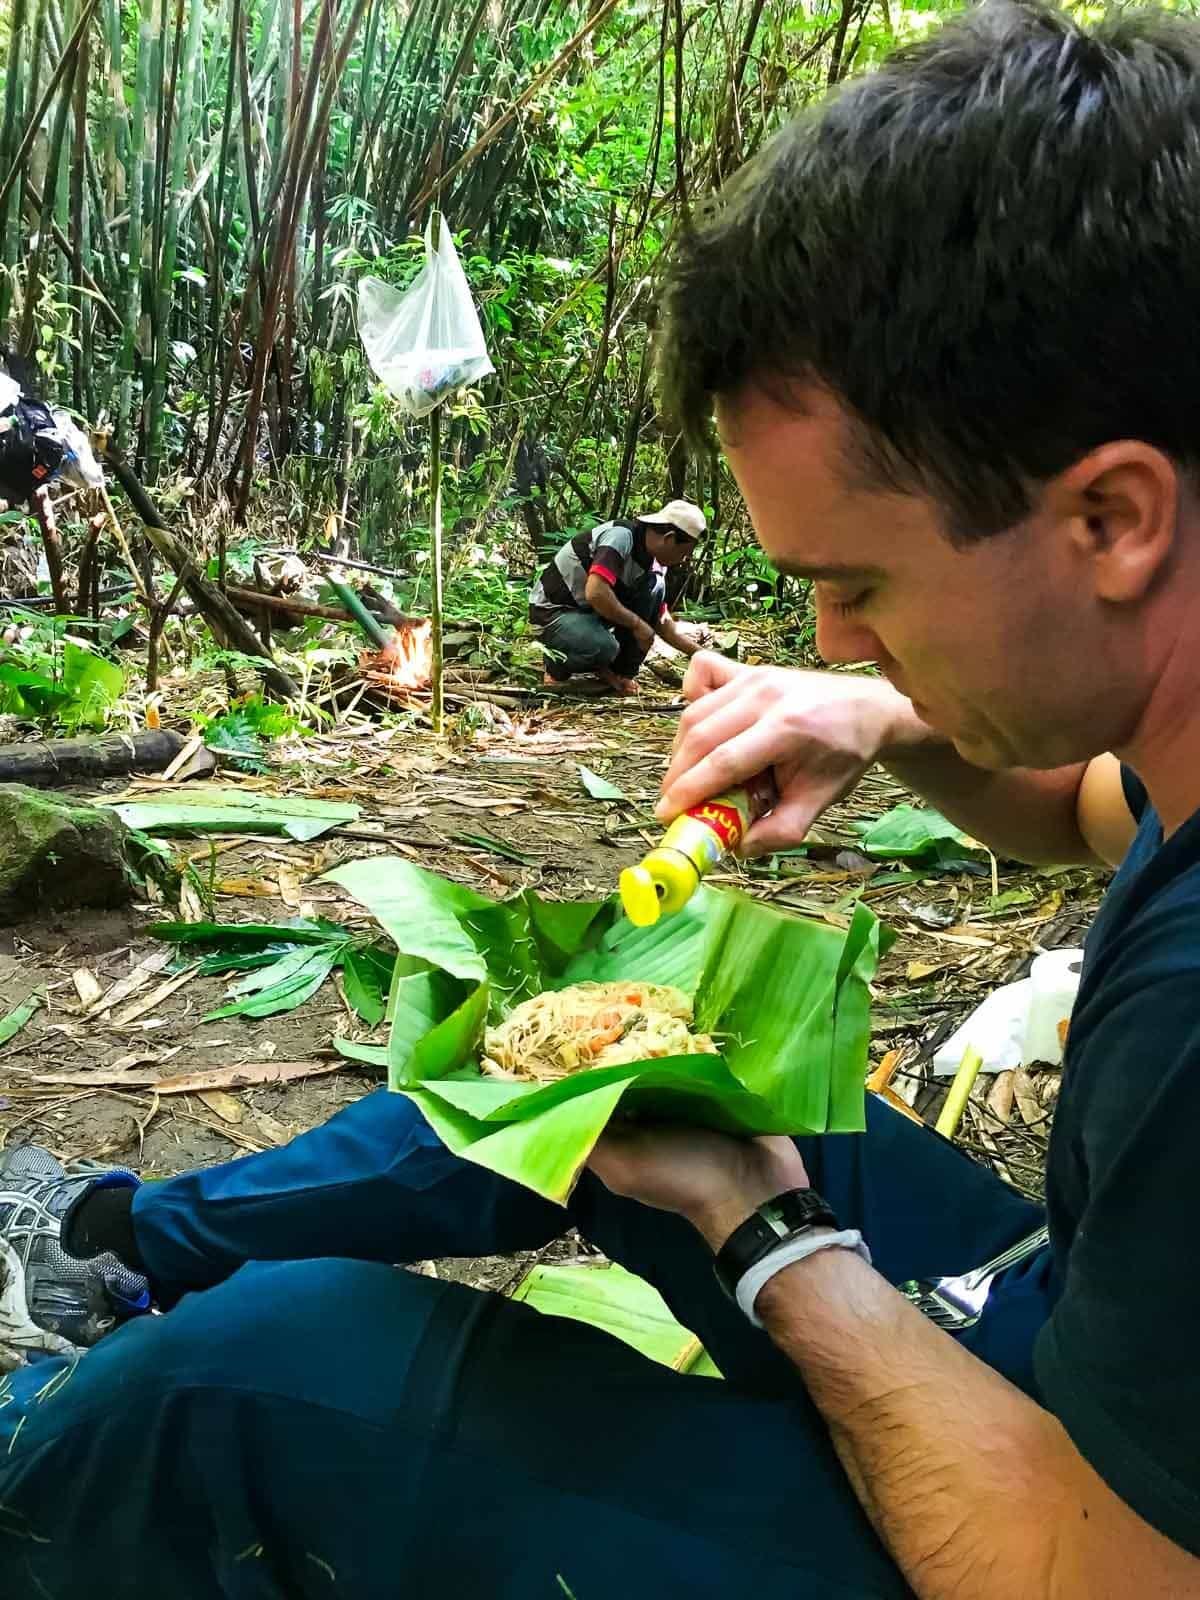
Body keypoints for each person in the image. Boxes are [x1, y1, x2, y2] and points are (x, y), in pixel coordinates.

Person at [2, 4, 1200, 1594]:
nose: (830, 640)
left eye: (857, 588)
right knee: (582, 1060)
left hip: (1061, 1535)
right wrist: (895, 714)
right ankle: (117, 1243)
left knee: (245, 1379)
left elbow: (1099, 1574)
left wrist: (771, 1241)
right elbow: (1089, 808)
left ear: (1112, 517)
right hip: (1079, 1337)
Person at [530, 497, 707, 693]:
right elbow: (596, 593)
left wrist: (703, 656)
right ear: (669, 538)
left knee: (655, 586)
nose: (685, 559)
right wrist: (637, 624)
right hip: (553, 613)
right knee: (602, 647)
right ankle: (556, 666)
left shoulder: (655, 564)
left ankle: (619, 673)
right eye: (684, 552)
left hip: (588, 615)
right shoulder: (620, 537)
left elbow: (663, 625)